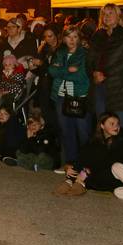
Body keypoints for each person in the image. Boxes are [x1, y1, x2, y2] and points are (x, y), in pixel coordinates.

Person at [87, 3, 123, 133]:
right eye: (104, 14)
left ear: (118, 15)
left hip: (121, 89)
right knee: (103, 131)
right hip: (100, 88)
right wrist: (93, 73)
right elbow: (89, 60)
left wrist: (104, 74)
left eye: (111, 13)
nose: (107, 16)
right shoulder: (97, 36)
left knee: (121, 132)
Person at [49, 26, 90, 166]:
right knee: (66, 131)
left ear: (79, 38)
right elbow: (52, 71)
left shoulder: (84, 53)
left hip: (79, 96)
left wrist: (61, 71)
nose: (72, 40)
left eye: (75, 37)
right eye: (69, 36)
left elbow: (81, 75)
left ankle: (85, 164)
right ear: (64, 38)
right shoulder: (60, 52)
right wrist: (68, 70)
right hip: (61, 96)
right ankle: (70, 163)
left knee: (83, 132)